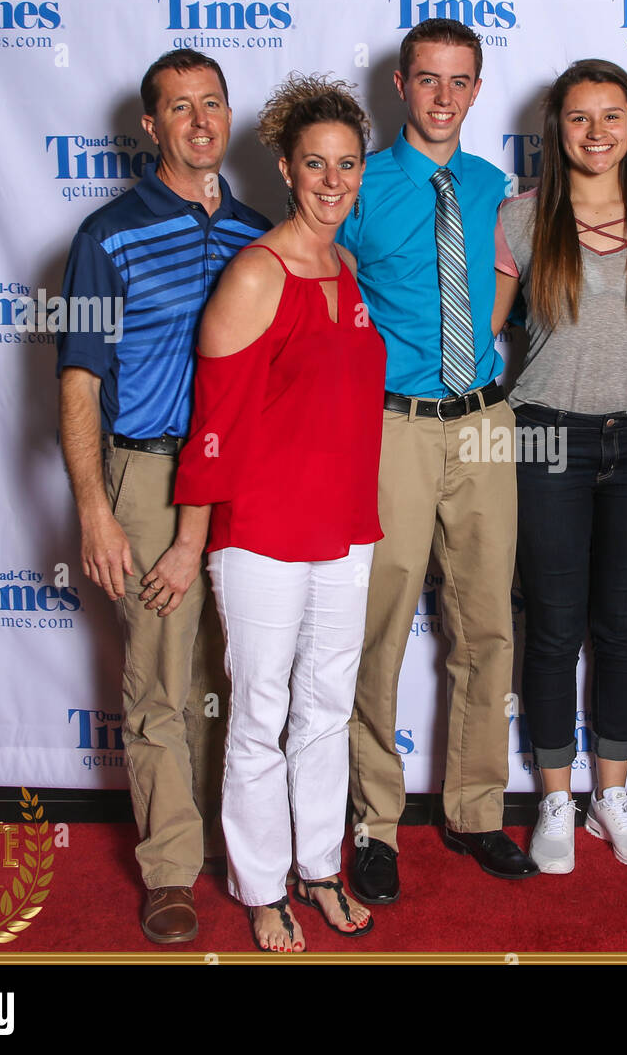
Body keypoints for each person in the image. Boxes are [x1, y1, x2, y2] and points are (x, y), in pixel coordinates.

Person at [57, 50, 268, 944]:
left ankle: (240, 845)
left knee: (243, 675)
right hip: (148, 473)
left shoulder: (262, 230)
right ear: (151, 128)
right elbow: (77, 385)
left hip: (246, 479)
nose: (198, 120)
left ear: (229, 113)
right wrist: (95, 509)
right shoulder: (105, 237)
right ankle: (173, 868)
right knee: (159, 680)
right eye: (177, 108)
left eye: (210, 102)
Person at [173, 75, 384, 951]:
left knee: (328, 704)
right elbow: (211, 425)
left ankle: (321, 867)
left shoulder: (348, 267)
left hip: (344, 528)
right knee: (259, 712)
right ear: (288, 171)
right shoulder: (256, 273)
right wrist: (192, 542)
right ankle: (261, 885)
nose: (332, 181)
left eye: (346, 165)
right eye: (314, 165)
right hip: (260, 531)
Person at [336, 18, 537, 902]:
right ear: (401, 87)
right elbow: (325, 300)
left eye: (460, 81)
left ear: (478, 88)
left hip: (488, 419)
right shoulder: (363, 186)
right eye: (428, 80)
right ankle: (374, 821)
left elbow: (528, 285)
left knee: (487, 624)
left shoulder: (499, 187)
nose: (443, 97)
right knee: (377, 629)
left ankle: (477, 810)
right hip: (396, 426)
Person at [491, 59, 627, 873]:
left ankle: (614, 795)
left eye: (613, 116)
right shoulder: (520, 219)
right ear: (556, 128)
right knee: (554, 629)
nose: (597, 132)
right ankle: (554, 800)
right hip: (546, 441)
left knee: (620, 629)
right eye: (580, 118)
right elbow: (486, 340)